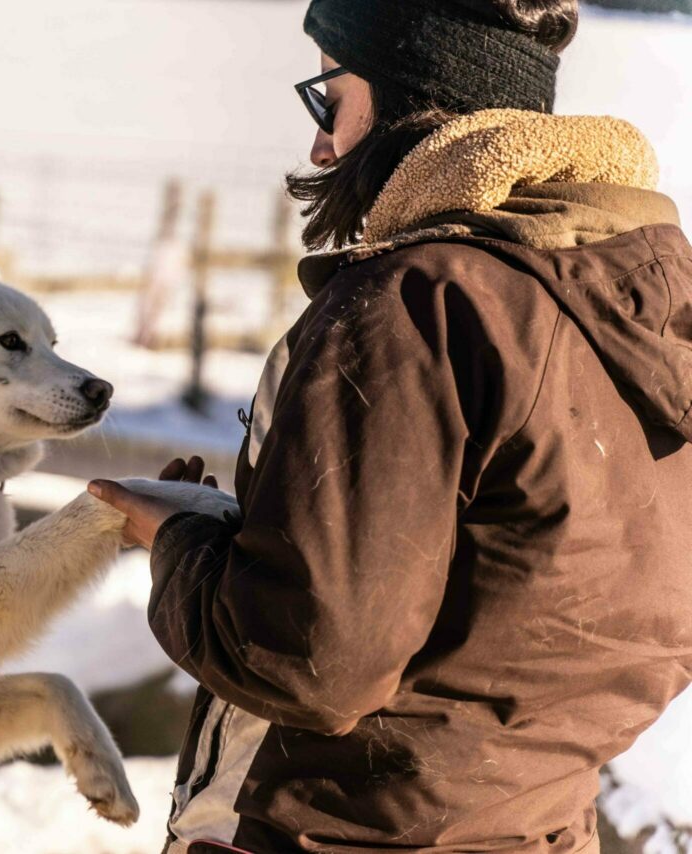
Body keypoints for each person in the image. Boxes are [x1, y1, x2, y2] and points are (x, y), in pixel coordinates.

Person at [88, 1, 692, 851]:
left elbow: (308, 659)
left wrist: (178, 547)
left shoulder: (417, 306)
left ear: (414, 92)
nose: (320, 144)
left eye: (328, 97)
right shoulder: (642, 317)